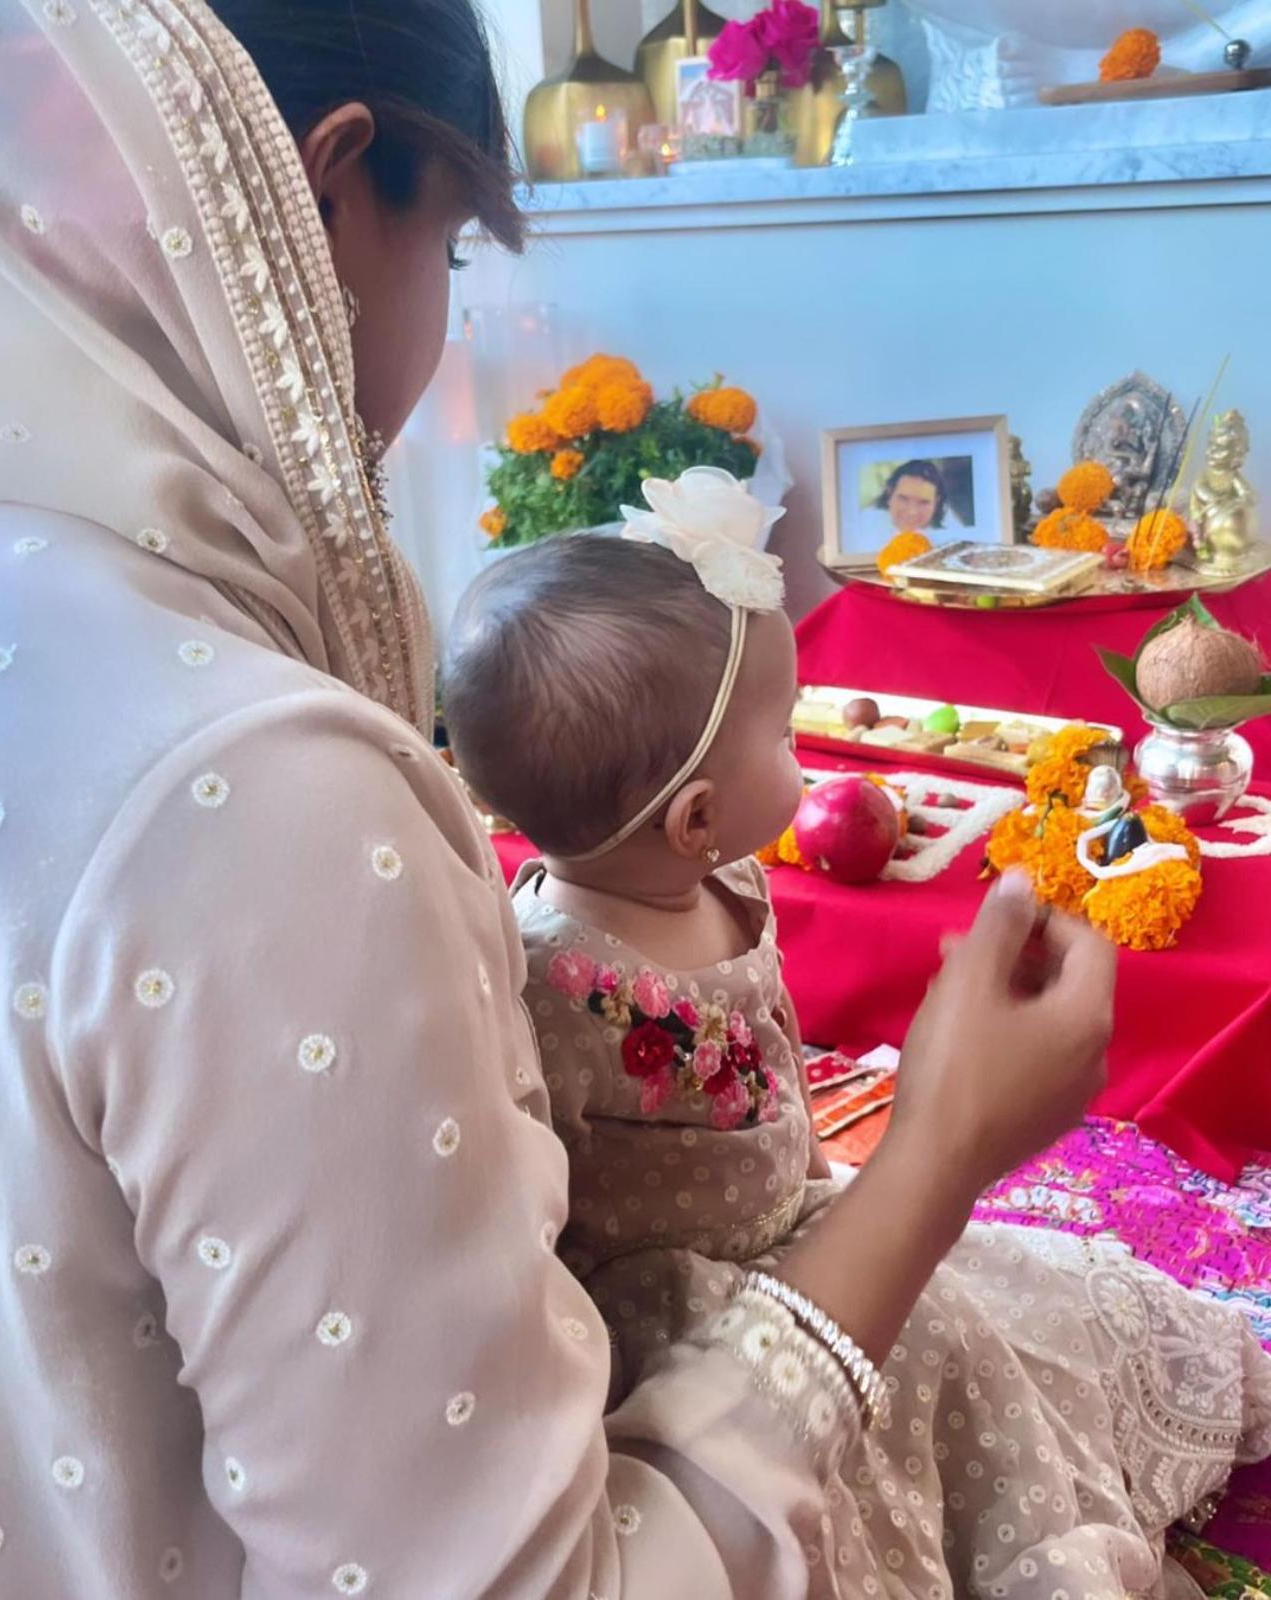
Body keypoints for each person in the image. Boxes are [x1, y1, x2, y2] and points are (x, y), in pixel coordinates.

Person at [0, 3, 1250, 1596]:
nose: (438, 326)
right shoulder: (263, 796)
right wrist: (940, 1144)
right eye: (447, 257)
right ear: (325, 195)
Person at [443, 474, 1271, 1598]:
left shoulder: (727, 878)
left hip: (805, 1214)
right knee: (925, 1375)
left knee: (994, 1316)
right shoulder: (554, 981)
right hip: (704, 1305)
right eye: (784, 735)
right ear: (696, 815)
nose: (806, 756)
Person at [858, 457, 953, 547]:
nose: (912, 512)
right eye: (904, 499)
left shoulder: (951, 535)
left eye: (923, 502)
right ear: (890, 493)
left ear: (936, 502)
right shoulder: (865, 529)